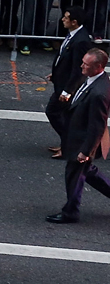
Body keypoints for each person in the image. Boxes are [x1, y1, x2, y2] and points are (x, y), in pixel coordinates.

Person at [47, 49, 110, 223]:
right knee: (89, 173)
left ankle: (70, 212)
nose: (81, 66)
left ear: (98, 67)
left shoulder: (99, 93)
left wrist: (86, 151)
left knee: (74, 176)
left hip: (82, 142)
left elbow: (96, 127)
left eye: (86, 64)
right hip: (77, 137)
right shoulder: (93, 79)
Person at [46, 8, 93, 153]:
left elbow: (79, 70)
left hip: (68, 86)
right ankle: (67, 143)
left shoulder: (81, 41)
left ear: (74, 22)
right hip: (62, 81)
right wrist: (56, 73)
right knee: (64, 116)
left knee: (54, 112)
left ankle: (70, 146)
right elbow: (65, 58)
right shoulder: (74, 35)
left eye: (66, 18)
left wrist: (68, 91)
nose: (62, 19)